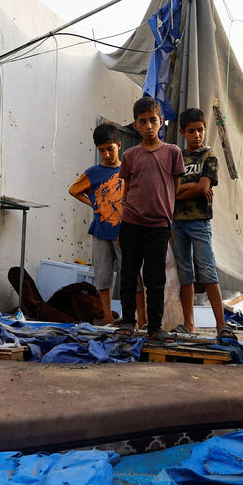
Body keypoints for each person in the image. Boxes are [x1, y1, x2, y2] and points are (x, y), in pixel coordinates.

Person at [115, 96, 185, 341]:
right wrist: (122, 222)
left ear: (161, 121)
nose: (148, 126)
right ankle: (127, 321)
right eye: (142, 121)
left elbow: (174, 189)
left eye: (152, 120)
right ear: (135, 125)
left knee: (156, 278)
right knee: (129, 275)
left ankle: (155, 326)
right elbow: (126, 190)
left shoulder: (173, 153)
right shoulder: (130, 156)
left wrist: (168, 221)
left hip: (158, 225)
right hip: (132, 223)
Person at [171, 108, 230, 338]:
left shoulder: (209, 156)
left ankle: (221, 325)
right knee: (185, 273)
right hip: (177, 222)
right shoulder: (178, 157)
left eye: (201, 130)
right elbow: (171, 190)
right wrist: (190, 188)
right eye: (192, 131)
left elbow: (203, 187)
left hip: (199, 221)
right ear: (183, 132)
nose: (197, 135)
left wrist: (182, 190)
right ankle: (189, 324)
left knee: (207, 270)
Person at [69, 123, 125, 323]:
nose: (107, 154)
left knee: (131, 276)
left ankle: (134, 317)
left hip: (124, 231)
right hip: (101, 230)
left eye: (110, 149)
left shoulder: (128, 169)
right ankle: (108, 317)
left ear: (119, 145)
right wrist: (93, 203)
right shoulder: (94, 172)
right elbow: (74, 190)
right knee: (103, 276)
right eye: (102, 150)